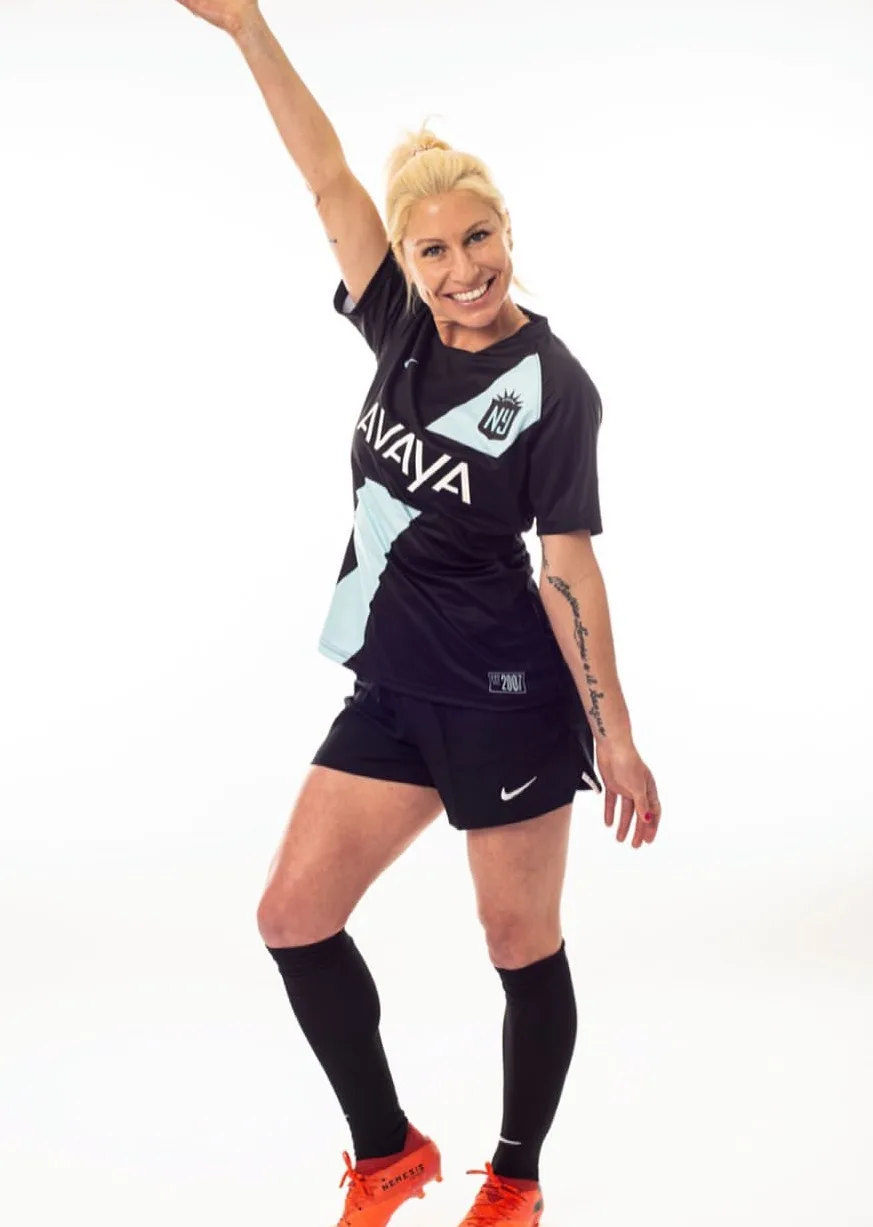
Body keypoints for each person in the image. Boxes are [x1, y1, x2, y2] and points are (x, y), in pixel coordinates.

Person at [174, 2, 662, 1224]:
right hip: (392, 685)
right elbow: (325, 174)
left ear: (509, 233)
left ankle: (516, 1181)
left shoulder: (555, 387)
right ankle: (386, 1151)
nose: (461, 269)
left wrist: (613, 734)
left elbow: (568, 566)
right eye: (433, 249)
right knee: (293, 917)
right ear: (407, 257)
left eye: (478, 238)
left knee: (517, 945)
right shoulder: (398, 325)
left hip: (504, 697)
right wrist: (246, 28)